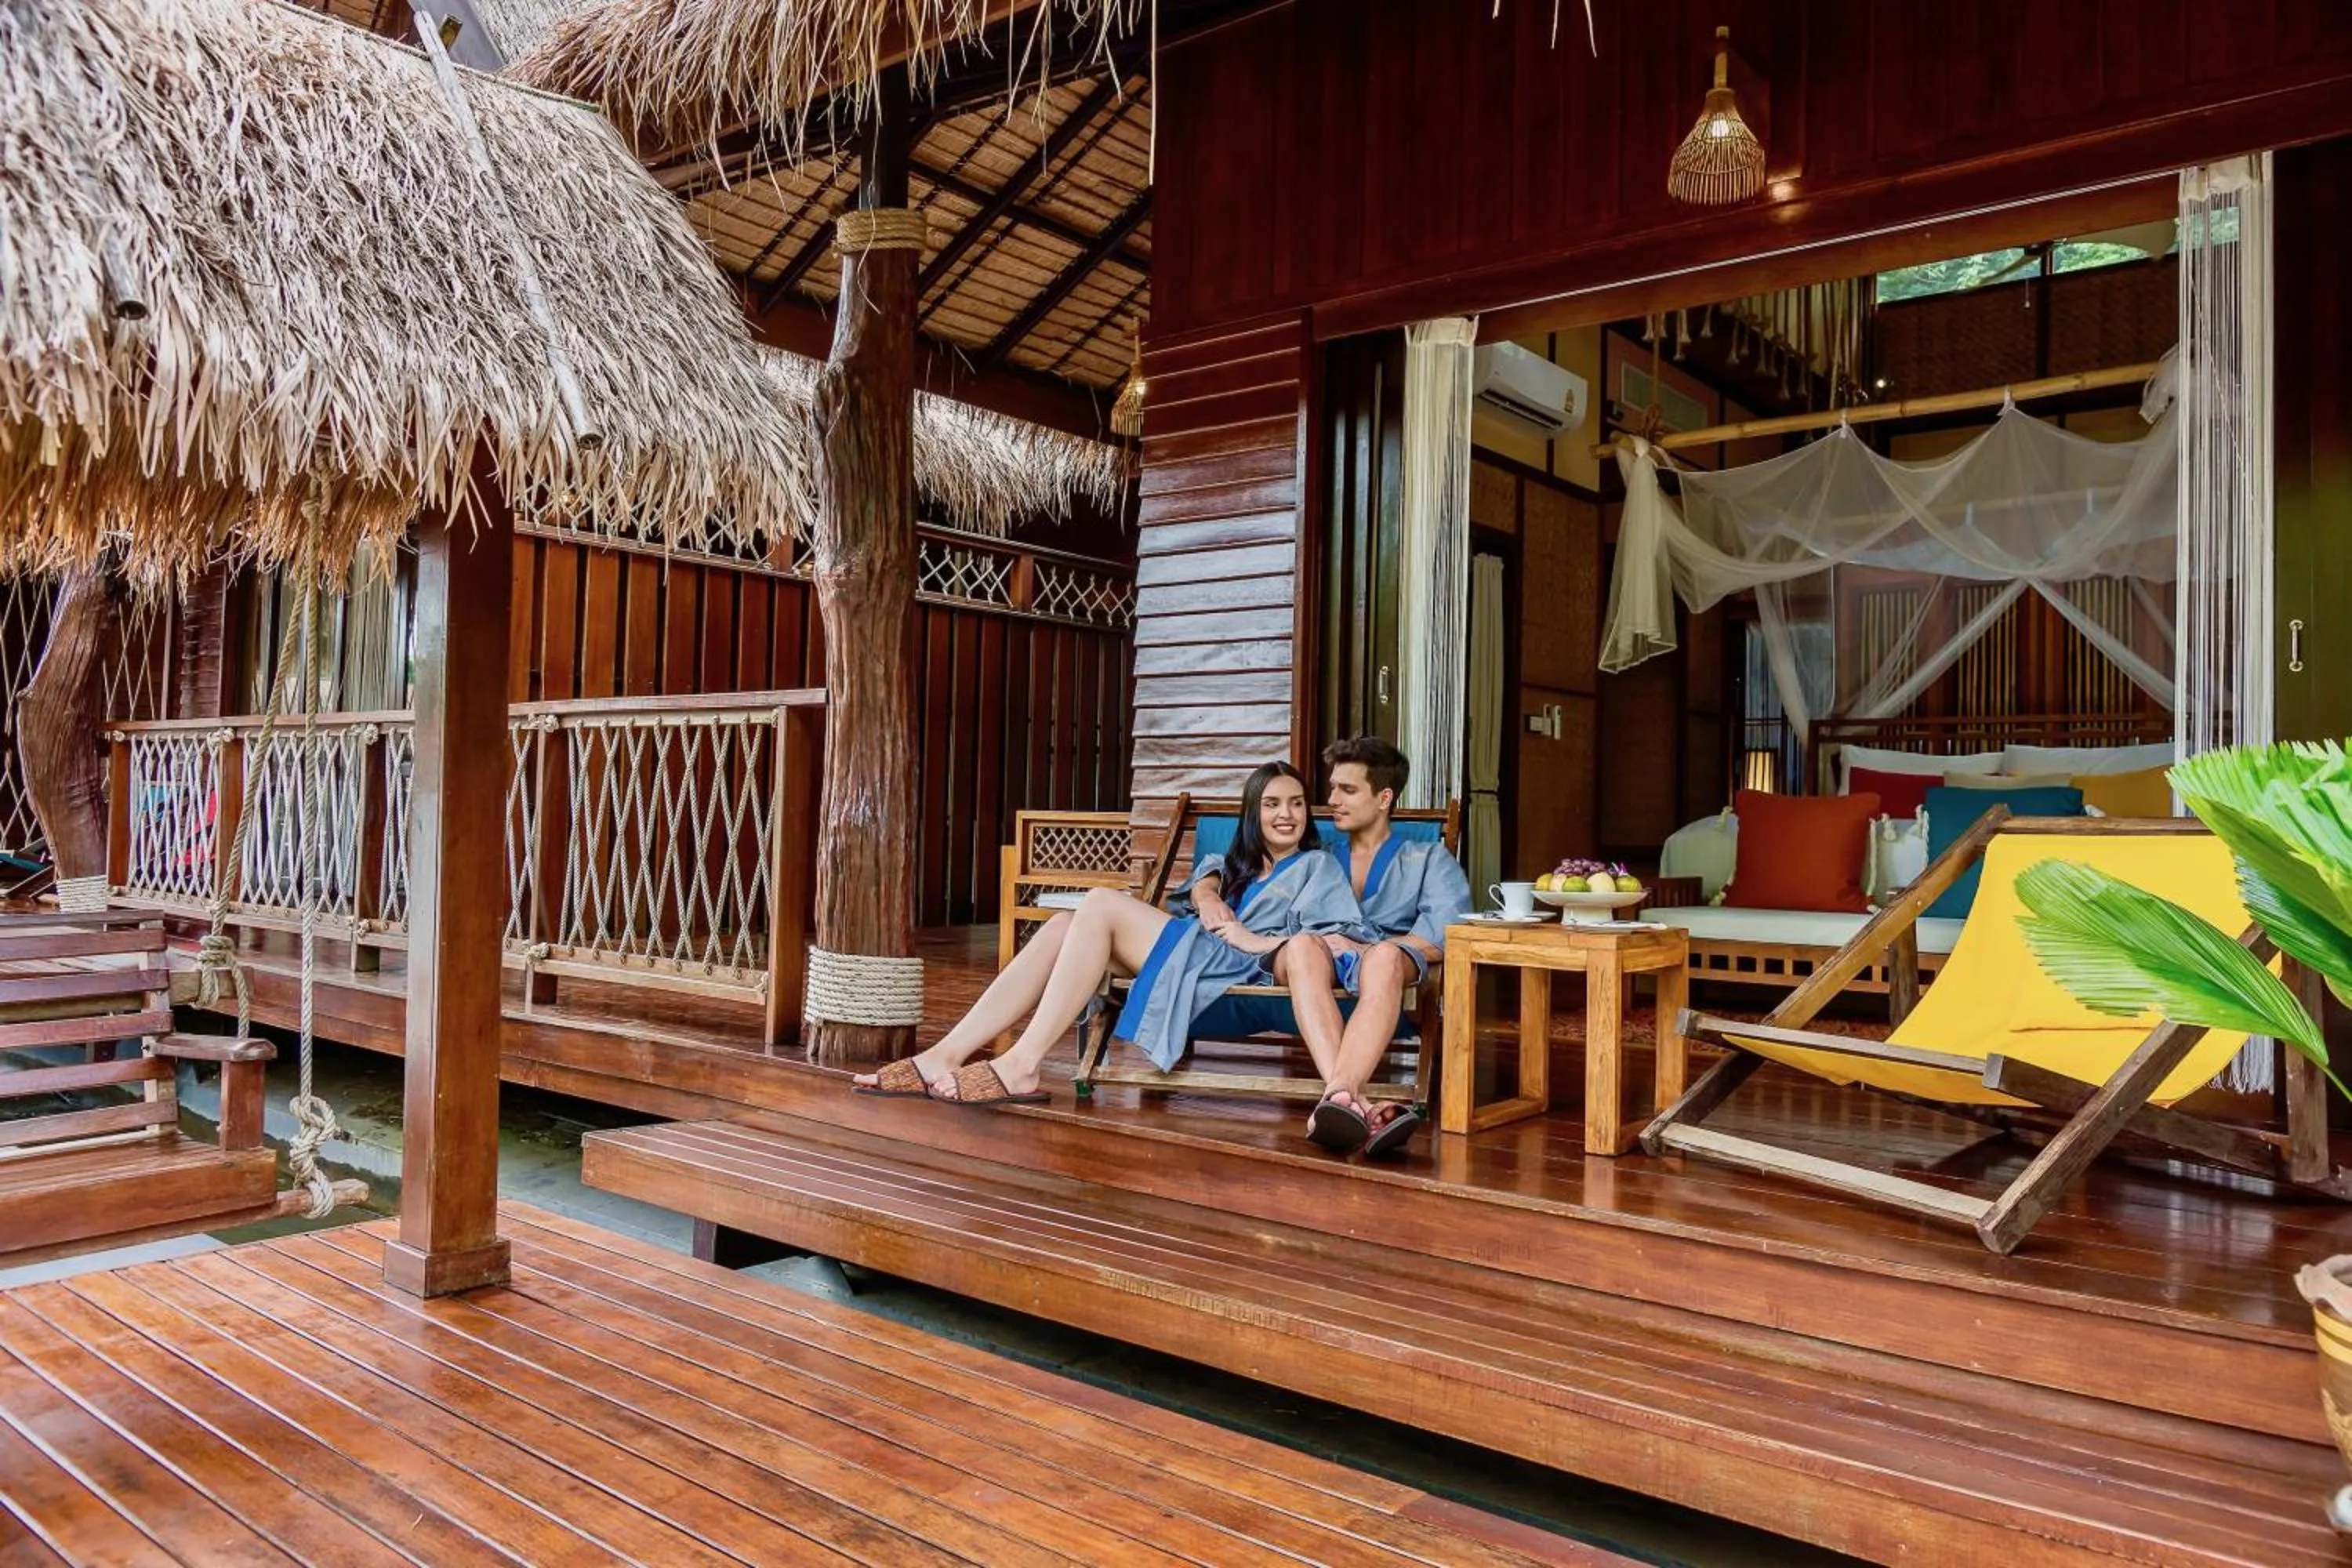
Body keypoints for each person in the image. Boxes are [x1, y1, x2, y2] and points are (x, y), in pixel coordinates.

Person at [849, 761, 1363, 1106]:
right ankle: (946, 1052)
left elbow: (1326, 945)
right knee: (1061, 927)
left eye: (1296, 804)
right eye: (1272, 804)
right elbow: (1200, 887)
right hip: (1193, 953)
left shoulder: (1319, 868)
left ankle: (1023, 1063)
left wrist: (1249, 937)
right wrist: (1208, 895)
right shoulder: (1234, 865)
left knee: (1098, 903)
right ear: (1253, 812)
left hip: (1234, 969)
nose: (1287, 815)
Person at [1193, 736, 1470, 1157]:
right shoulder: (1315, 854)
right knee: (1308, 946)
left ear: (1384, 798)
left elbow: (1442, 934)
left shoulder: (1428, 858)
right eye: (1332, 788)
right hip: (1315, 968)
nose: (1331, 800)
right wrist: (1207, 891)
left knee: (1384, 958)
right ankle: (1352, 1100)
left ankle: (1340, 1097)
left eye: (1347, 790)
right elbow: (1233, 860)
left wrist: (1367, 948)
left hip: (1388, 967)